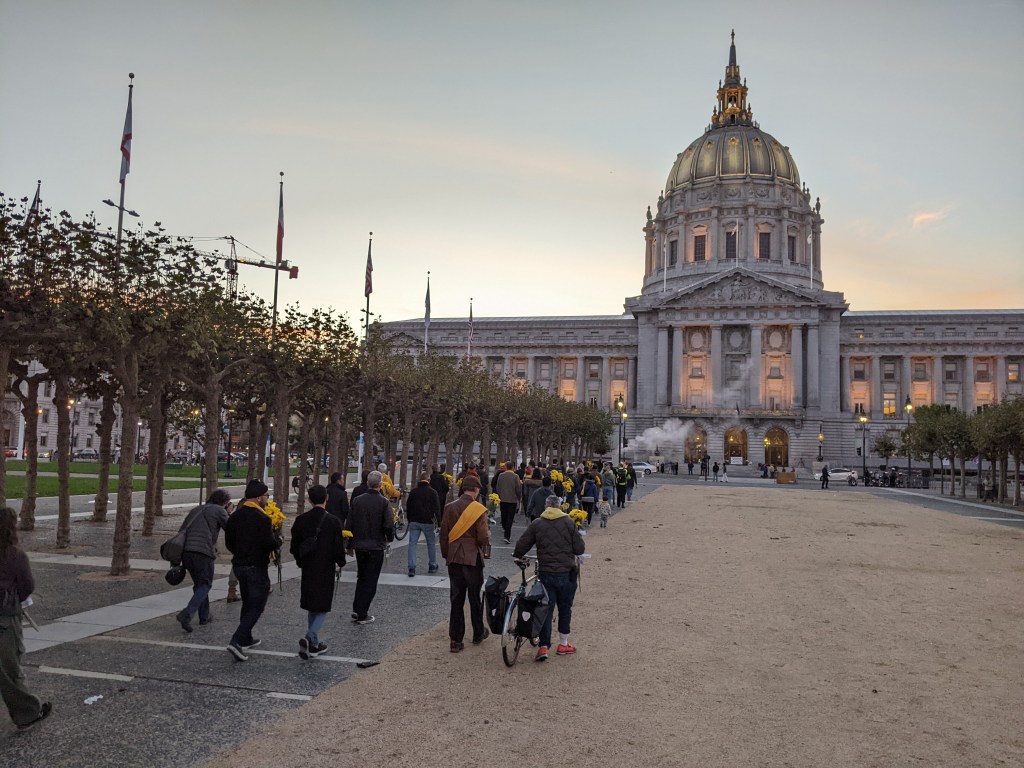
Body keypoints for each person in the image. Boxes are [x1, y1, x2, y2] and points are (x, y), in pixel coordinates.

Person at [512, 494, 586, 662]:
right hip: (566, 573)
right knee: (565, 608)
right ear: (560, 506)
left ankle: (544, 646)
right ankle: (563, 643)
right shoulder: (569, 522)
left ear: (546, 507)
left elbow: (522, 544)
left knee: (546, 608)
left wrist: (517, 555)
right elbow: (579, 548)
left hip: (546, 573)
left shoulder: (537, 523)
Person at [0, 507, 52, 729]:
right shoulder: (15, 555)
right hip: (4, 619)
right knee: (10, 670)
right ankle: (28, 712)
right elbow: (27, 586)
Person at [224, 479, 280, 661]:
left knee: (248, 602)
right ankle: (237, 640)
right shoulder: (262, 518)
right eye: (266, 496)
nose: (267, 499)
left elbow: (229, 542)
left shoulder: (235, 517)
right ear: (258, 498)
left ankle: (246, 638)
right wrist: (277, 542)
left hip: (239, 565)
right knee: (257, 604)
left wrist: (239, 553)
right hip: (256, 566)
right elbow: (268, 543)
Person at [289, 485, 346, 660]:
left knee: (312, 605)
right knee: (322, 606)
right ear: (326, 498)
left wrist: (300, 560)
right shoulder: (333, 521)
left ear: (309, 500)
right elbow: (338, 547)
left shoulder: (301, 520)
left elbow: (294, 546)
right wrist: (341, 562)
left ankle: (314, 643)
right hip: (325, 567)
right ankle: (310, 636)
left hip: (308, 567)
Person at [439, 475, 491, 652]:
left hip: (454, 557)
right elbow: (483, 537)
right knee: (474, 597)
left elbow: (444, 535)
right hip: (472, 558)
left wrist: (447, 554)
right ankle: (478, 633)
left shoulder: (449, 507)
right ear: (476, 490)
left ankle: (455, 640)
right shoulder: (478, 509)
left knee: (456, 599)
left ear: (463, 489)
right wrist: (487, 537)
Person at [174, 489, 231, 633]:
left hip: (186, 552)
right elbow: (230, 528)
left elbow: (182, 530)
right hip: (203, 552)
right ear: (225, 502)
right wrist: (229, 513)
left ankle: (204, 616)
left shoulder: (196, 510)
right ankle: (187, 614)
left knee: (199, 584)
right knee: (205, 584)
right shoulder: (219, 510)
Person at [348, 470, 394, 624]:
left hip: (360, 545)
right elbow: (388, 524)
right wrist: (389, 538)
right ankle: (362, 612)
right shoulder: (384, 502)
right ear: (380, 485)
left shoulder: (357, 500)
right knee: (371, 580)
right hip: (376, 545)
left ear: (368, 483)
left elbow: (350, 522)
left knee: (361, 577)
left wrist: (349, 543)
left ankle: (357, 608)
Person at [406, 473, 441, 577]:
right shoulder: (433, 492)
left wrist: (409, 519)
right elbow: (437, 509)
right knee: (431, 544)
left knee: (412, 544)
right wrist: (438, 523)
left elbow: (408, 506)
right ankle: (432, 565)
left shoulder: (413, 492)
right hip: (429, 522)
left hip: (415, 521)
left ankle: (411, 567)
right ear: (429, 480)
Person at [494, 462, 523, 544]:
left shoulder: (501, 476)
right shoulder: (516, 476)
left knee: (504, 516)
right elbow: (518, 488)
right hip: (512, 500)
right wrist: (518, 497)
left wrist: (499, 495)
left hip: (503, 499)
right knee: (510, 518)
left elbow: (498, 487)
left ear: (506, 467)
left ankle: (505, 530)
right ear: (513, 467)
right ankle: (507, 535)